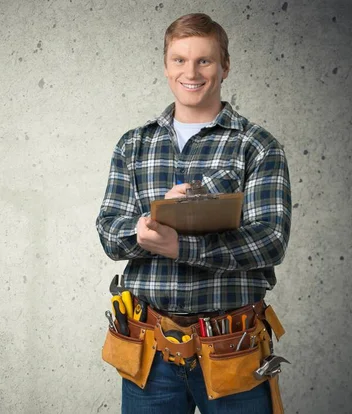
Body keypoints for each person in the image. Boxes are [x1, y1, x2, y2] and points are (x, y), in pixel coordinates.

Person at [96, 13, 291, 414]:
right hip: (150, 350)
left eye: (204, 60)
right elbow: (108, 230)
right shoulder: (133, 145)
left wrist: (181, 246)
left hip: (231, 348)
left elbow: (270, 241)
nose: (192, 71)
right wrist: (144, 228)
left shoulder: (256, 146)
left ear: (225, 66)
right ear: (166, 66)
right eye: (180, 60)